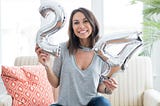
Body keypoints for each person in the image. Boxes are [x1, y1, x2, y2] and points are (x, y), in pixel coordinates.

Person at [35, 7, 120, 106]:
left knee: (103, 102)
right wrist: (47, 65)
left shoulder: (101, 52)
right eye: (76, 23)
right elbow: (55, 83)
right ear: (72, 28)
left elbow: (99, 86)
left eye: (85, 21)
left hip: (91, 104)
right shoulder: (63, 48)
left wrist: (108, 89)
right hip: (64, 104)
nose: (81, 26)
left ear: (93, 24)